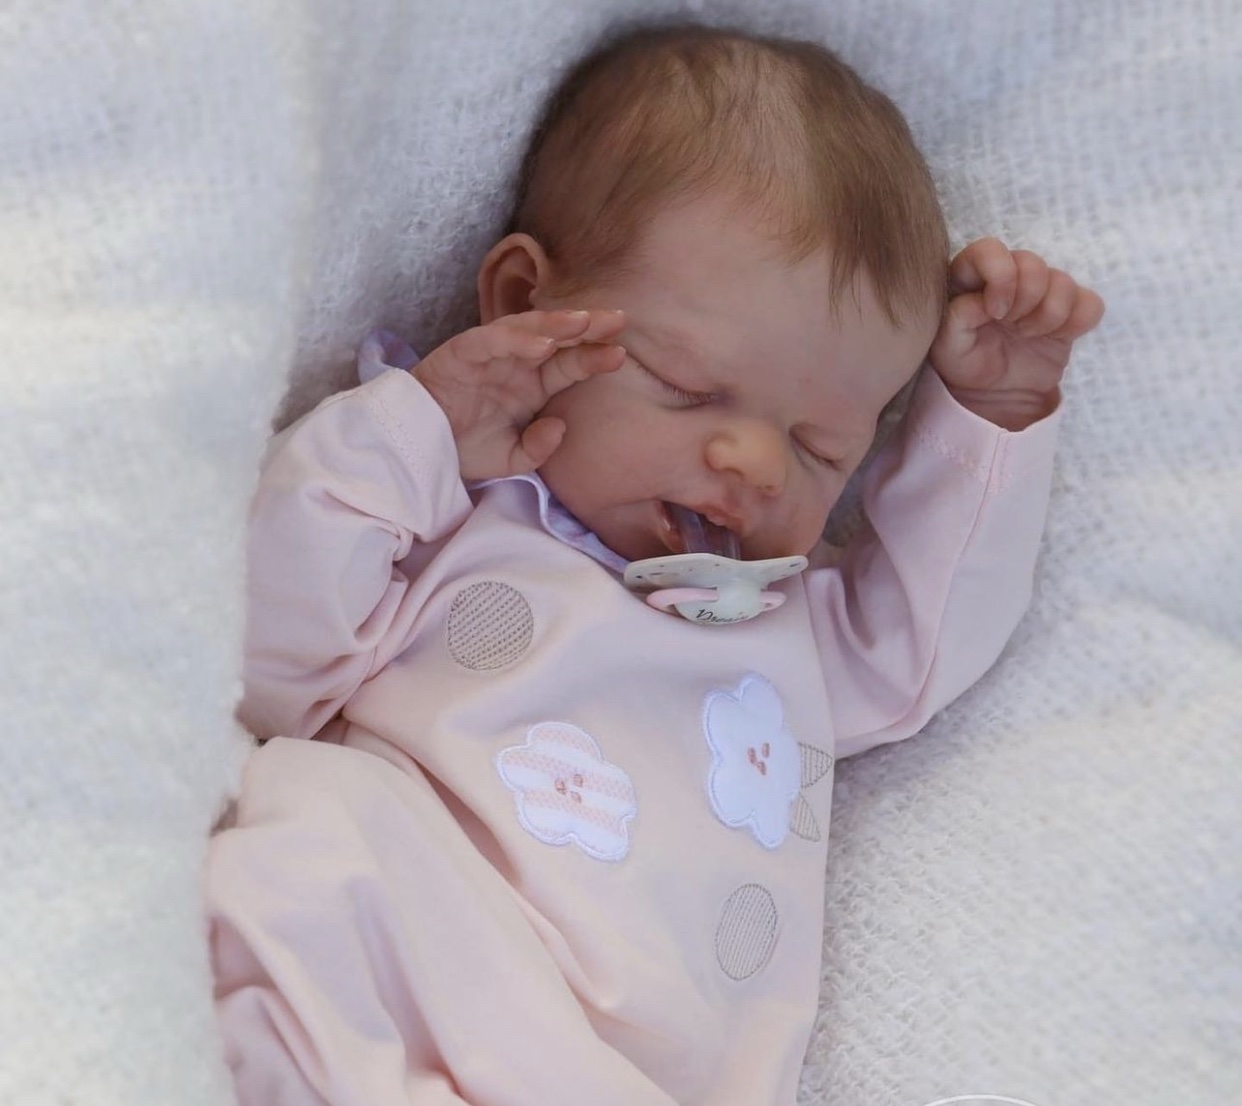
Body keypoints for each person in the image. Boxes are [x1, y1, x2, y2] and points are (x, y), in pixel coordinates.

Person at [205, 23, 1104, 1106]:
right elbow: (259, 660)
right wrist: (414, 434)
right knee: (286, 869)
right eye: (688, 389)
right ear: (523, 303)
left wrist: (991, 414)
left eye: (823, 448)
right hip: (401, 940)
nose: (756, 463)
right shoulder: (450, 516)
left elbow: (929, 637)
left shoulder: (791, 633)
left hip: (620, 1073)